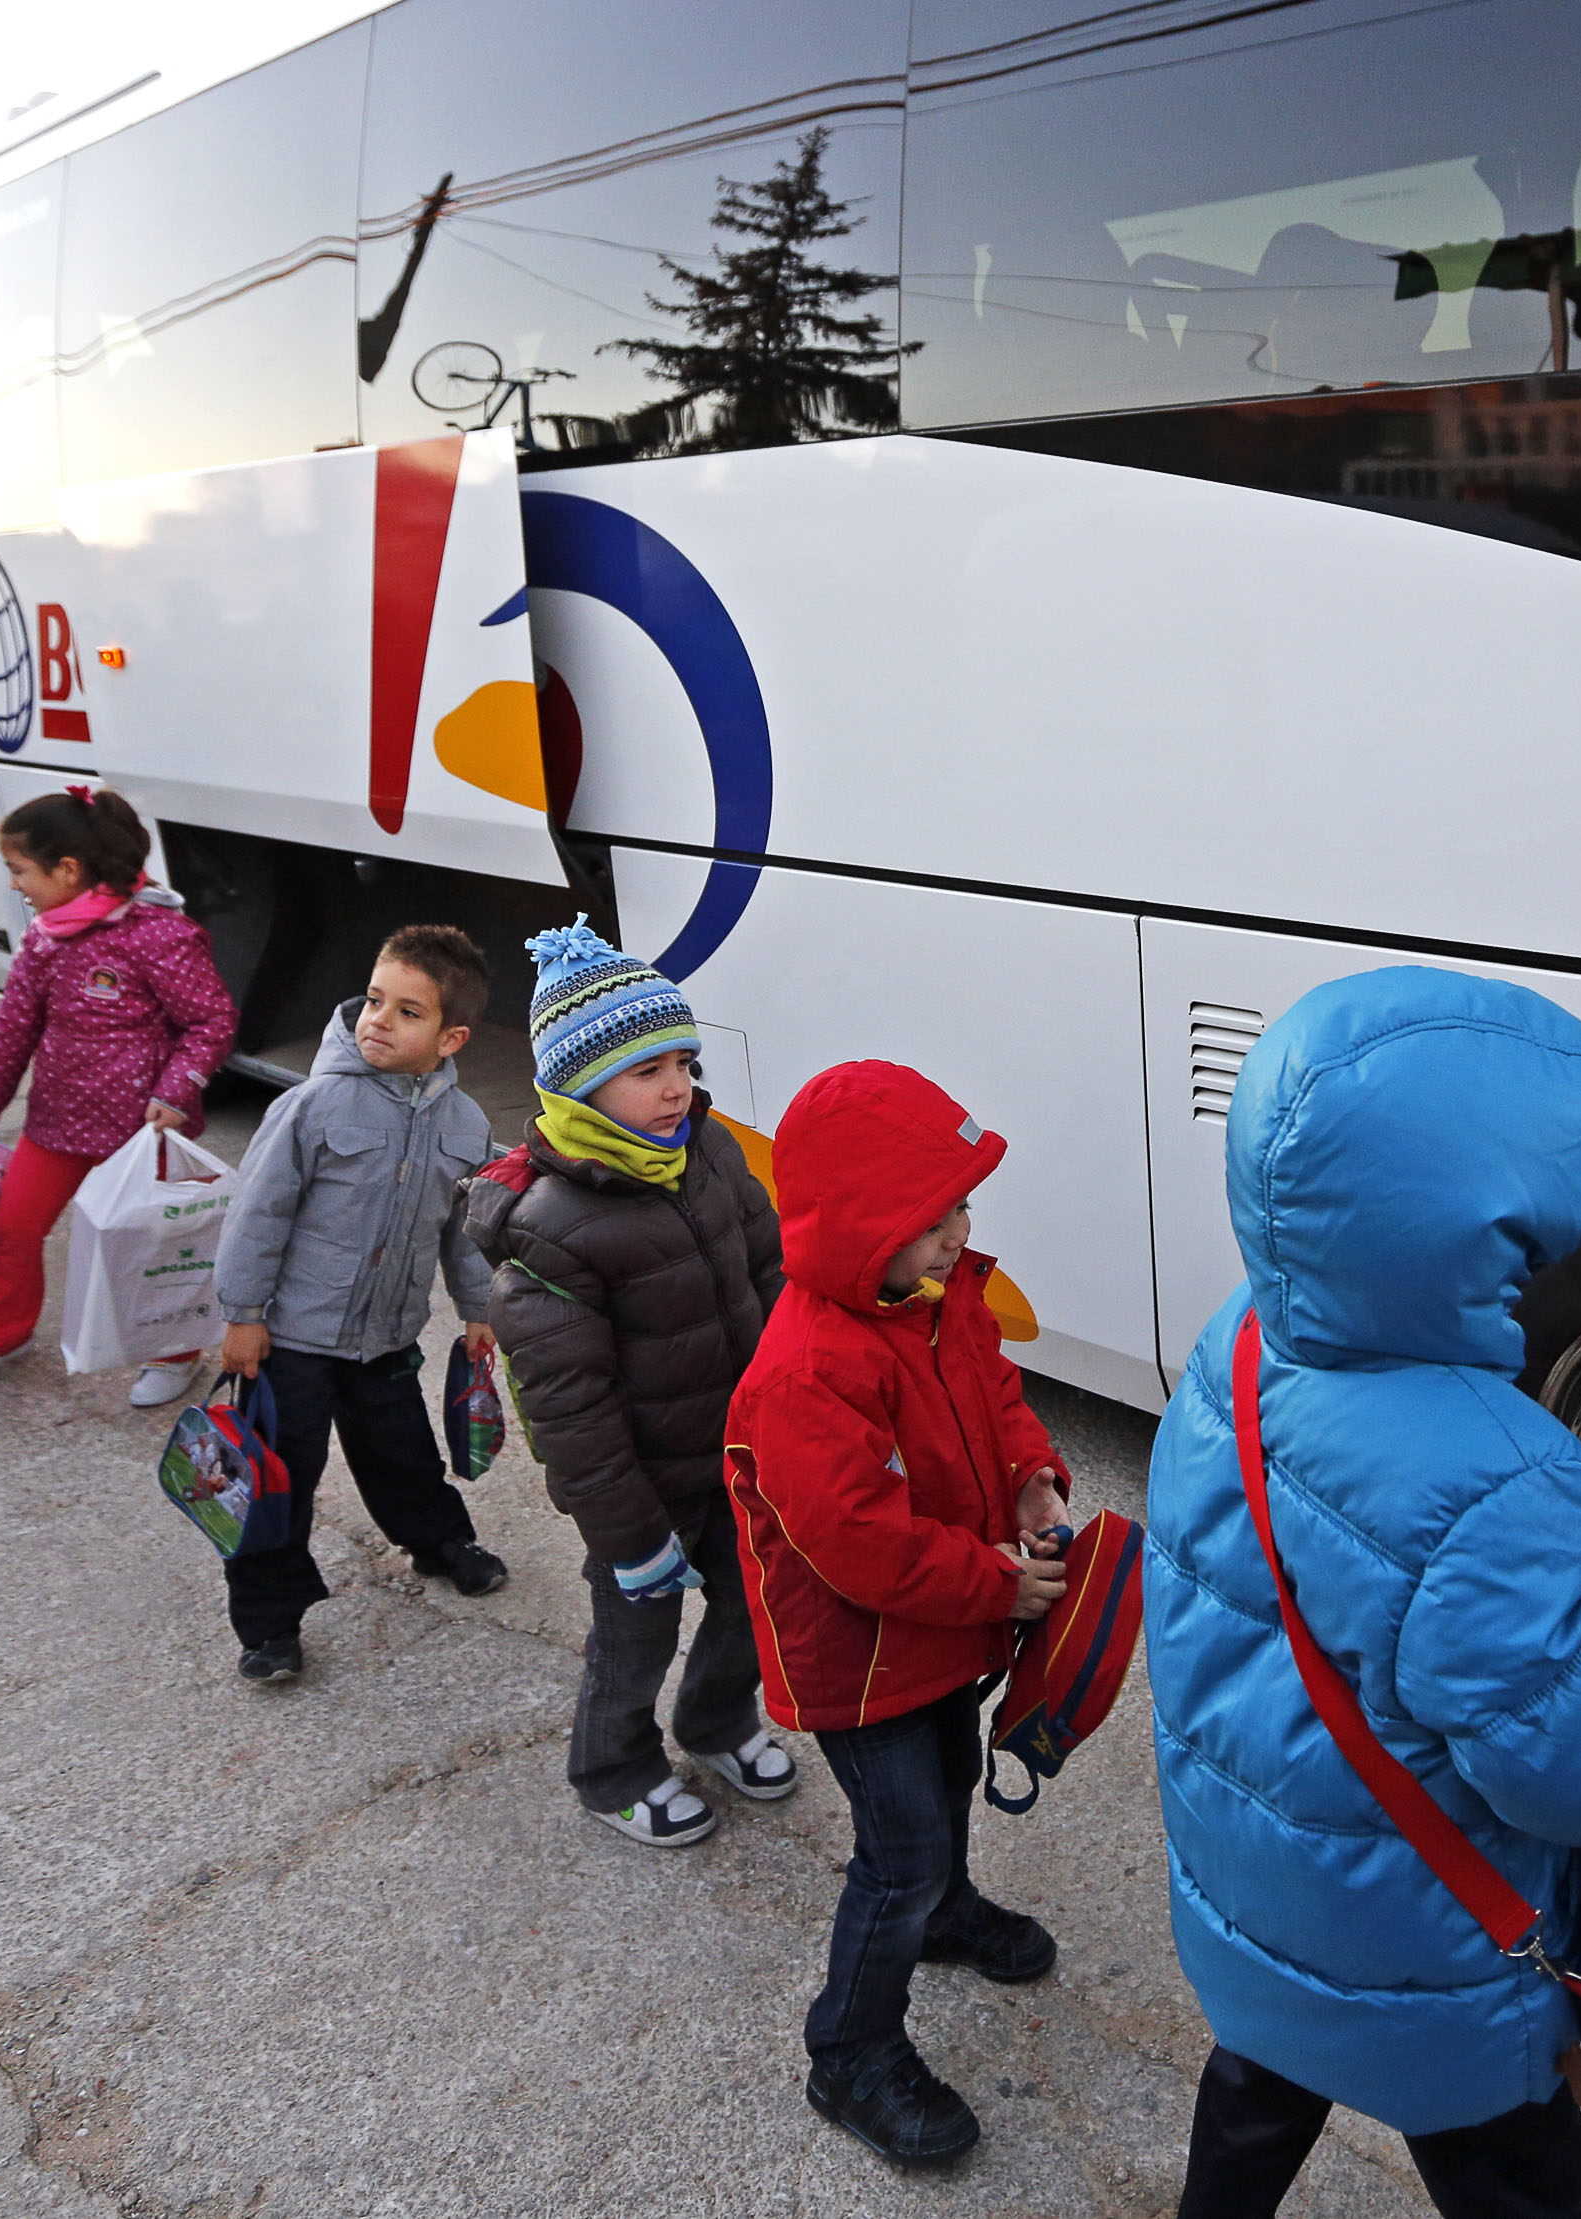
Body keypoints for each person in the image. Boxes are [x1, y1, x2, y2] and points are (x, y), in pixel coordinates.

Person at [1144, 966, 1581, 2219]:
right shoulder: (1497, 1470)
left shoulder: (1235, 1341)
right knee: (1509, 2177)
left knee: (1255, 2093)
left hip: (1254, 1888)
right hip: (1432, 1953)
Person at [724, 1057, 1071, 2168]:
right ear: (861, 1222)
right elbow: (857, 1543)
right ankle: (850, 2050)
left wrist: (1032, 1475)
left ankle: (946, 1913)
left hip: (933, 1630)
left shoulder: (932, 1296)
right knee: (897, 1847)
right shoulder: (805, 1369)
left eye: (962, 1206)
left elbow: (998, 1398)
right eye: (933, 1218)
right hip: (859, 1660)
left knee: (950, 1779)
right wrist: (995, 1584)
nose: (958, 1234)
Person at [464, 925, 788, 1843]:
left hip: (739, 1449)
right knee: (634, 1633)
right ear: (576, 1085)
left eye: (682, 1059)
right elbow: (571, 1412)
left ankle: (717, 1719)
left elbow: (769, 1271)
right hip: (641, 1486)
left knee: (754, 1599)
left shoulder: (711, 1151)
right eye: (646, 1069)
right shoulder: (551, 1229)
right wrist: (630, 1533)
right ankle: (611, 1766)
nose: (676, 1085)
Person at [205, 925, 510, 1681]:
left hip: (385, 1342)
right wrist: (243, 1314)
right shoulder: (314, 1106)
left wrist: (479, 1310)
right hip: (292, 1343)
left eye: (409, 1011)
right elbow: (257, 1214)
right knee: (278, 1480)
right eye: (375, 1000)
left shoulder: (466, 1125)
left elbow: (465, 1231)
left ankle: (441, 1544)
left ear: (451, 1037)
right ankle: (270, 1625)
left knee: (405, 1457)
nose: (377, 1019)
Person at [0, 787, 236, 1400]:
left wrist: (175, 1090)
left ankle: (174, 1353)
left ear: (68, 870)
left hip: (144, 1133)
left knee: (153, 1244)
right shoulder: (44, 937)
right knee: (13, 1228)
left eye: (19, 870)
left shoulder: (160, 934)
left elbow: (210, 1021)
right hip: (56, 1124)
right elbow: (10, 1031)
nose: (15, 885)